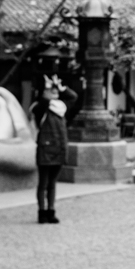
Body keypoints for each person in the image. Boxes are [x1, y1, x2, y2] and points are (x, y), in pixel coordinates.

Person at [29, 74, 77, 225]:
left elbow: (73, 97)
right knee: (43, 183)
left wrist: (62, 88)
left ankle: (51, 211)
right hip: (45, 150)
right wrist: (47, 88)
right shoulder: (40, 108)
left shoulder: (61, 108)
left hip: (59, 149)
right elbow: (43, 103)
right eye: (51, 90)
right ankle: (41, 212)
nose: (54, 91)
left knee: (52, 183)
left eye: (55, 90)